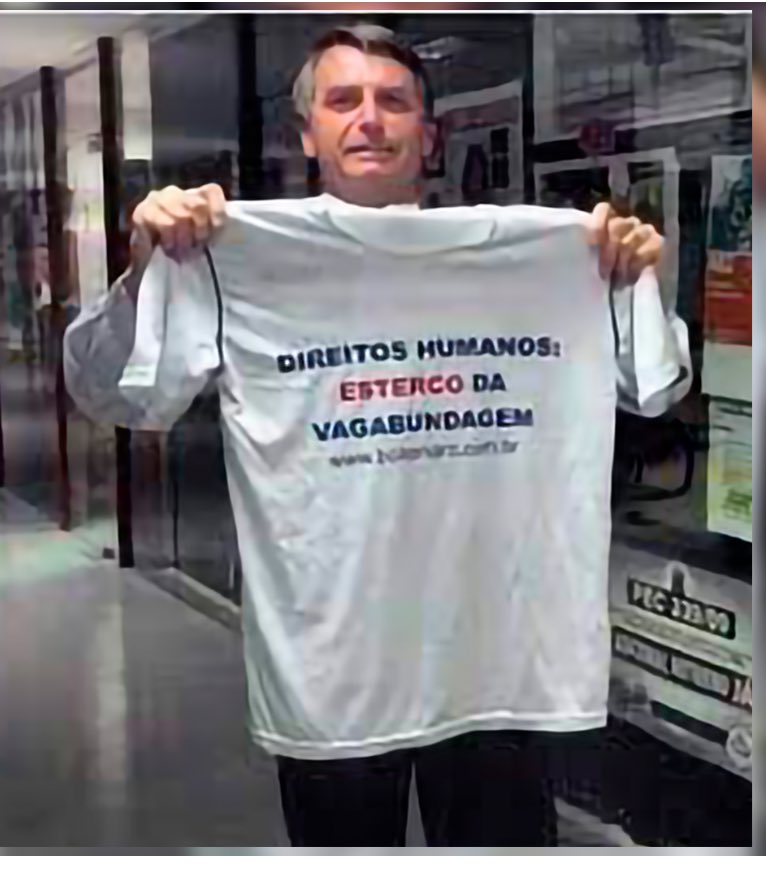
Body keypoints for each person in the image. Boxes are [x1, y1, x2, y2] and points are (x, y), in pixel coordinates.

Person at [64, 25, 691, 847]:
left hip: (496, 658)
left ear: (428, 134)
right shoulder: (231, 254)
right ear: (309, 132)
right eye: (343, 99)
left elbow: (657, 385)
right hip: (335, 667)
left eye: (393, 100)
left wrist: (641, 273)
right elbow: (111, 394)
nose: (370, 118)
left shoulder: (552, 255)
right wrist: (148, 267)